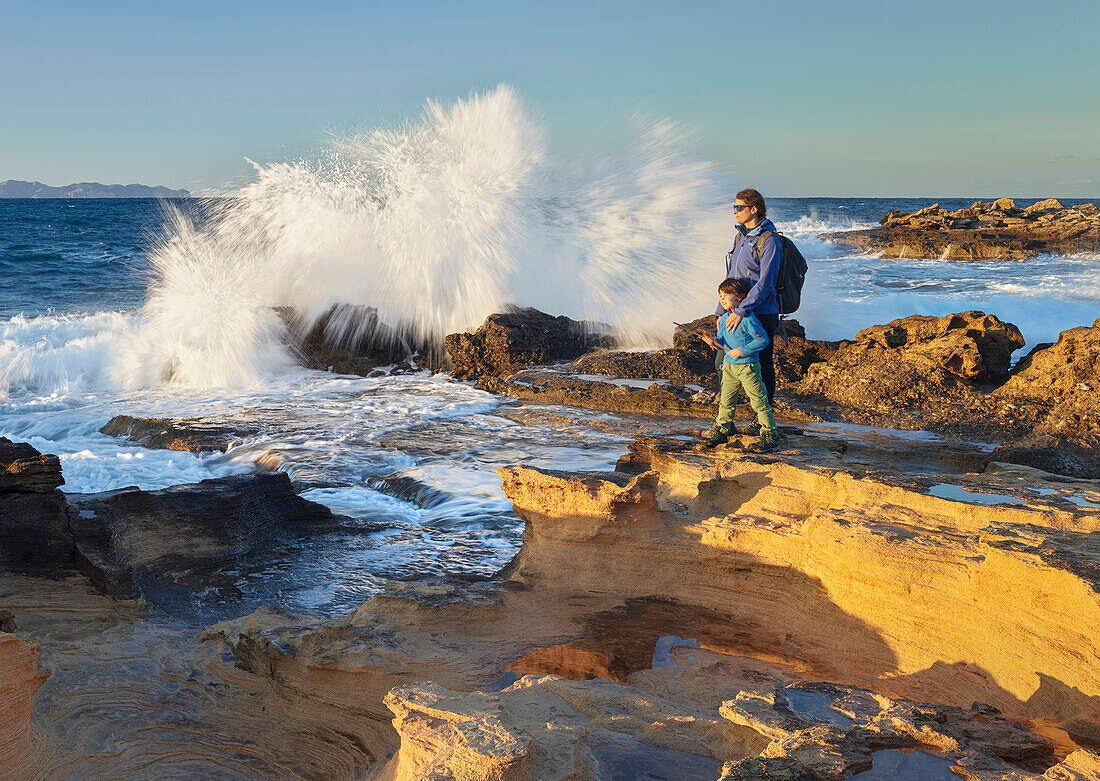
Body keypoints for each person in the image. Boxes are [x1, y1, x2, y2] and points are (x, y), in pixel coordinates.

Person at [716, 188, 782, 407]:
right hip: (734, 314)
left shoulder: (769, 240)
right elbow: (730, 279)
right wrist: (721, 311)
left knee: (762, 366)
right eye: (733, 207)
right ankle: (727, 417)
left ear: (754, 209)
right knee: (722, 362)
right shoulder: (741, 237)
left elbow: (766, 283)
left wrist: (742, 311)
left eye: (738, 207)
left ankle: (763, 418)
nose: (734, 212)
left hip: (761, 313)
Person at [701, 278, 779, 452]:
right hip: (729, 367)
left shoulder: (748, 319)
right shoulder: (725, 318)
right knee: (725, 401)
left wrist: (742, 351)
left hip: (748, 367)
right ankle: (723, 429)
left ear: (741, 298)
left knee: (759, 401)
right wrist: (714, 342)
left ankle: (770, 435)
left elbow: (763, 340)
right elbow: (722, 340)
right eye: (720, 296)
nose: (722, 299)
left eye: (726, 296)